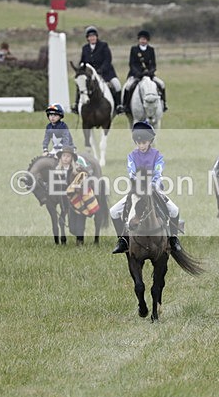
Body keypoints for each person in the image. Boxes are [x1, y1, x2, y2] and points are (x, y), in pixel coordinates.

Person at [110, 121, 182, 254]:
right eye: (138, 143)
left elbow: (158, 172)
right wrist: (139, 186)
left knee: (174, 210)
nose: (141, 146)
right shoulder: (131, 156)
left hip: (154, 188)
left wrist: (151, 186)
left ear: (150, 141)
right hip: (137, 190)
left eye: (144, 142)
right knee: (114, 211)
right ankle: (123, 240)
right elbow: (131, 172)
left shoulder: (157, 155)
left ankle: (173, 239)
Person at [74, 25, 122, 115]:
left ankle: (119, 106)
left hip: (106, 73)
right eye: (90, 37)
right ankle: (76, 105)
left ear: (96, 37)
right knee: (81, 85)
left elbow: (108, 59)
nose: (92, 38)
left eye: (93, 36)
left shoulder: (103, 45)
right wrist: (80, 70)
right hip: (90, 75)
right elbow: (83, 61)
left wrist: (101, 70)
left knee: (117, 85)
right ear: (87, 38)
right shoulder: (85, 48)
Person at [122, 30, 167, 113]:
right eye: (141, 39)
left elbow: (153, 64)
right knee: (128, 86)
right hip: (136, 74)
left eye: (145, 39)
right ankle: (126, 106)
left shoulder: (151, 50)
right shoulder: (134, 49)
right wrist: (138, 73)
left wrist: (150, 72)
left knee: (161, 84)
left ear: (147, 40)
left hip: (149, 75)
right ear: (139, 40)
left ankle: (164, 104)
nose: (143, 41)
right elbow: (132, 64)